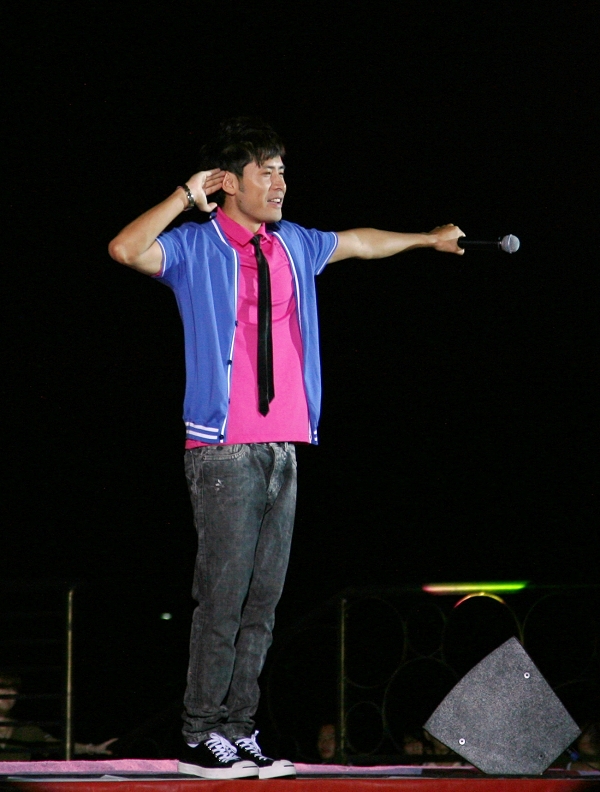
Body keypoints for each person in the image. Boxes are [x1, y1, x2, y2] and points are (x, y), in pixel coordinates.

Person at [108, 117, 464, 780]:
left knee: (262, 605)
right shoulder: (196, 246)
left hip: (284, 448)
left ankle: (237, 730)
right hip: (223, 450)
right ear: (228, 182)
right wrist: (185, 196)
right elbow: (125, 249)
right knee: (222, 602)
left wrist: (427, 239)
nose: (280, 184)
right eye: (265, 172)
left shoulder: (293, 243)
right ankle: (198, 735)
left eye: (282, 172)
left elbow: (358, 242)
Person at [0, 671, 117, 761]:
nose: (10, 693)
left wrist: (91, 749)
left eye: (13, 689)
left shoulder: (26, 730)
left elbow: (57, 745)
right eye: (3, 687)